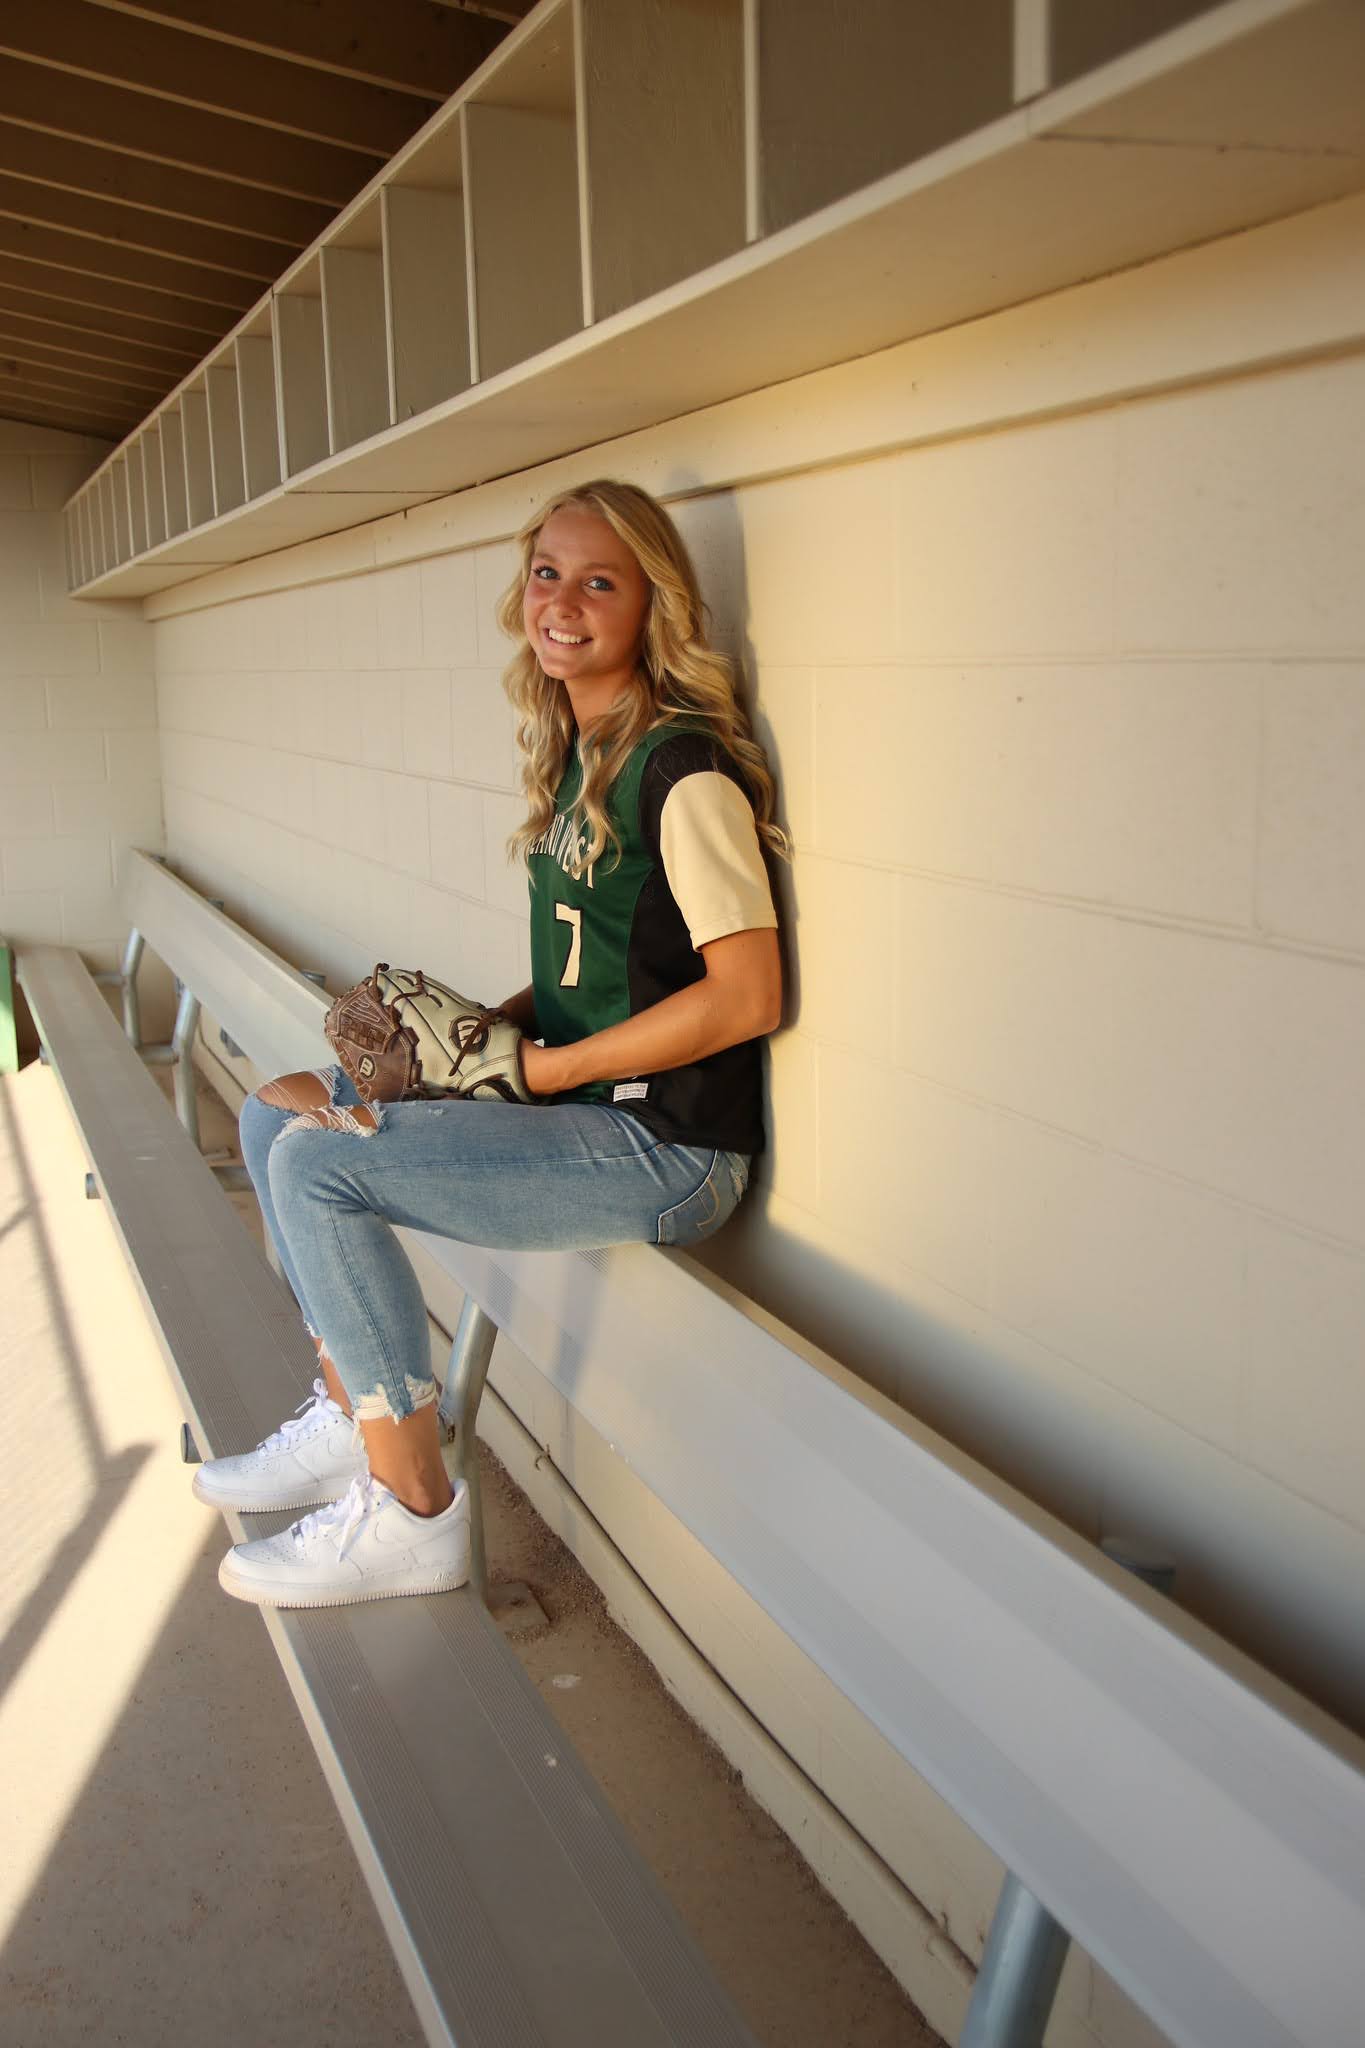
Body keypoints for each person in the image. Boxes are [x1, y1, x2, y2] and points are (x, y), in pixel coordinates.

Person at [195, 478, 787, 1609]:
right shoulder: (583, 745)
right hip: (579, 1105)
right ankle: (351, 1412)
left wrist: (545, 1069)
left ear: (652, 602)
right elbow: (599, 963)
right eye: (547, 573)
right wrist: (486, 1039)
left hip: (664, 1145)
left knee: (323, 1167)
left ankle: (412, 1514)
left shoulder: (681, 765)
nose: (562, 601)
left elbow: (747, 992)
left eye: (598, 580)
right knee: (279, 1112)